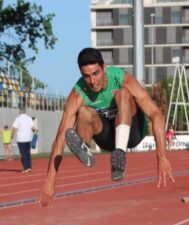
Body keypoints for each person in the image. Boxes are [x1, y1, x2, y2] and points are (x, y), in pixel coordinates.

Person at [38, 47, 174, 207]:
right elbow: (60, 138)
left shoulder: (122, 79)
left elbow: (156, 114)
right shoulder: (78, 93)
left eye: (96, 74)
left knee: (123, 94)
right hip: (106, 137)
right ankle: (85, 149)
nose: (92, 81)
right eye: (86, 76)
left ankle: (120, 155)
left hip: (132, 133)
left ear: (104, 68)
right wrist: (50, 180)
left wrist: (161, 156)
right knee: (83, 112)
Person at [11, 107, 35, 173]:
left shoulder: (17, 119)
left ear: (19, 111)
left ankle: (25, 168)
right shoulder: (29, 118)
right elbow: (33, 128)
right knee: (28, 153)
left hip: (21, 139)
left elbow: (14, 129)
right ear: (25, 111)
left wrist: (12, 136)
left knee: (23, 153)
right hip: (28, 138)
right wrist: (33, 132)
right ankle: (29, 167)